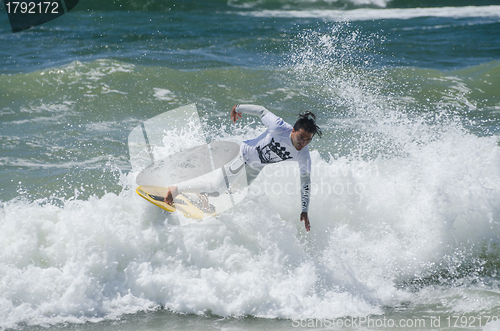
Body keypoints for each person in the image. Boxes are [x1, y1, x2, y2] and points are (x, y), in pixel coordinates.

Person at [165, 104, 321, 231]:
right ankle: (176, 189)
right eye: (301, 137)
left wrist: (305, 210)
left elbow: (305, 182)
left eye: (308, 140)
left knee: (235, 191)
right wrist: (237, 108)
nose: (303, 143)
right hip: (242, 155)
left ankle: (203, 195)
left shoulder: (303, 155)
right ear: (293, 131)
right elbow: (261, 110)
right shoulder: (279, 127)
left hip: (257, 166)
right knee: (218, 188)